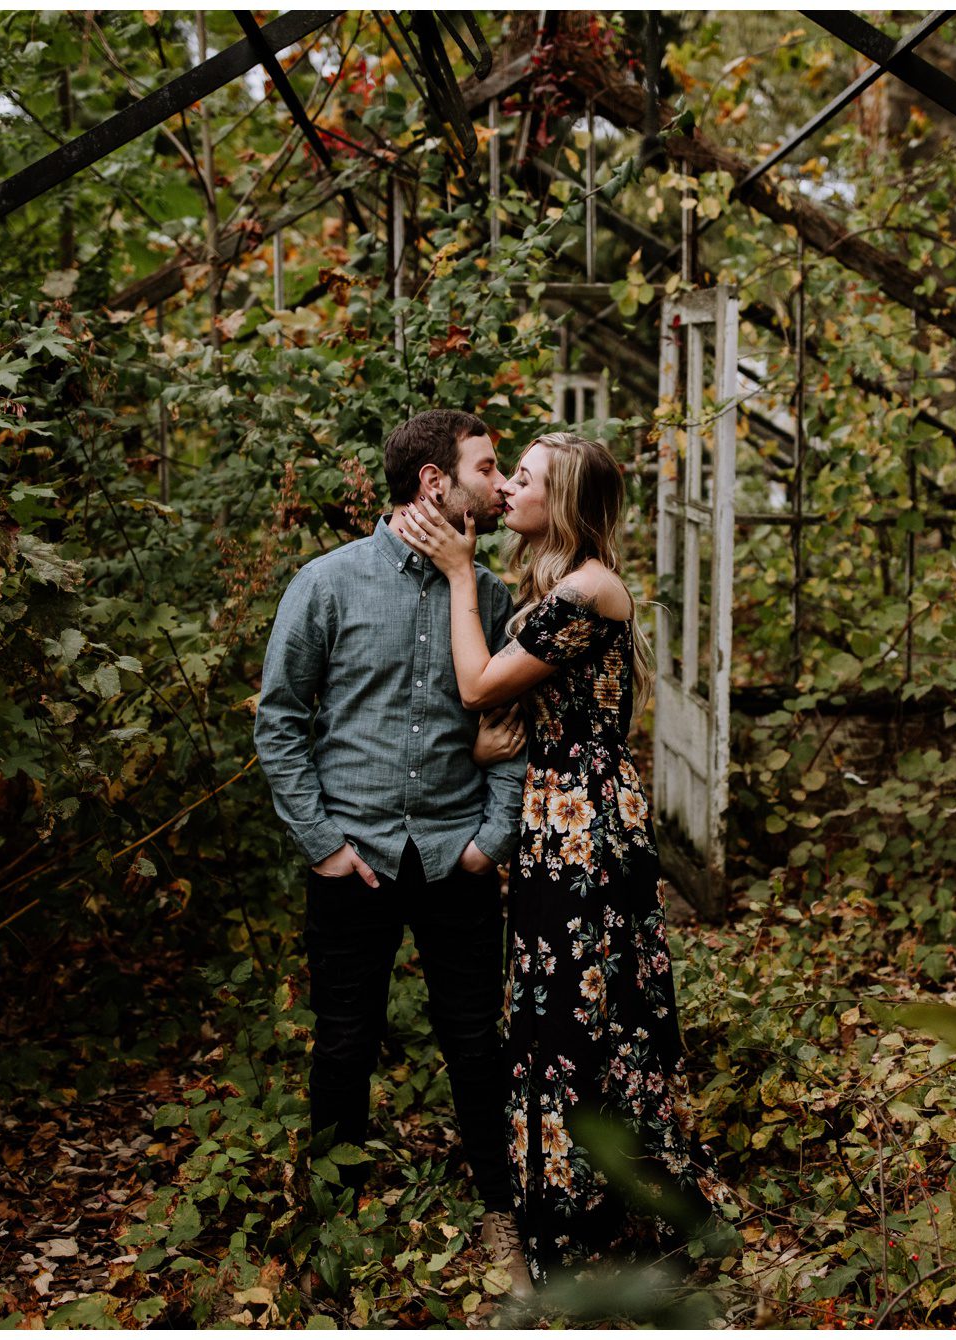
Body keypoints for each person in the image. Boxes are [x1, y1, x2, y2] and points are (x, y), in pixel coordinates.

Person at [395, 430, 728, 1283]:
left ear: (566, 503)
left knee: (583, 1011)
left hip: (587, 827)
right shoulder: (558, 582)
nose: (506, 488)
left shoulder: (589, 590)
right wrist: (490, 751)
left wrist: (461, 575)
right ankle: (584, 1209)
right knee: (560, 1008)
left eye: (525, 479)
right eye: (506, 473)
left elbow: (477, 686)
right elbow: (515, 710)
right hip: (557, 816)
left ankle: (612, 1215)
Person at [254, 409, 533, 1293]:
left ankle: (501, 1216)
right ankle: (336, 1228)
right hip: (356, 858)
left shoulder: (489, 597)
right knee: (343, 1045)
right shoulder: (327, 584)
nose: (499, 484)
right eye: (486, 468)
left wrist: (492, 840)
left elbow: (509, 730)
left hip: (456, 858)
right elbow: (282, 721)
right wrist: (324, 844)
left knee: (476, 1043)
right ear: (433, 483)